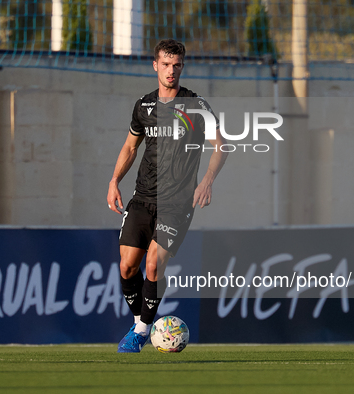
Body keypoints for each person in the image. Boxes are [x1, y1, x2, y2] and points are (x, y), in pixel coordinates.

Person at [107, 39, 227, 353]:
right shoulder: (143, 106)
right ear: (155, 65)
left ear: (182, 67)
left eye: (177, 66)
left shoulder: (196, 105)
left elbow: (221, 146)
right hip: (142, 197)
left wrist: (207, 180)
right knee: (127, 267)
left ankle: (141, 331)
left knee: (152, 265)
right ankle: (139, 323)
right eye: (166, 64)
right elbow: (130, 147)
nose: (171, 71)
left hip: (177, 203)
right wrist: (113, 180)